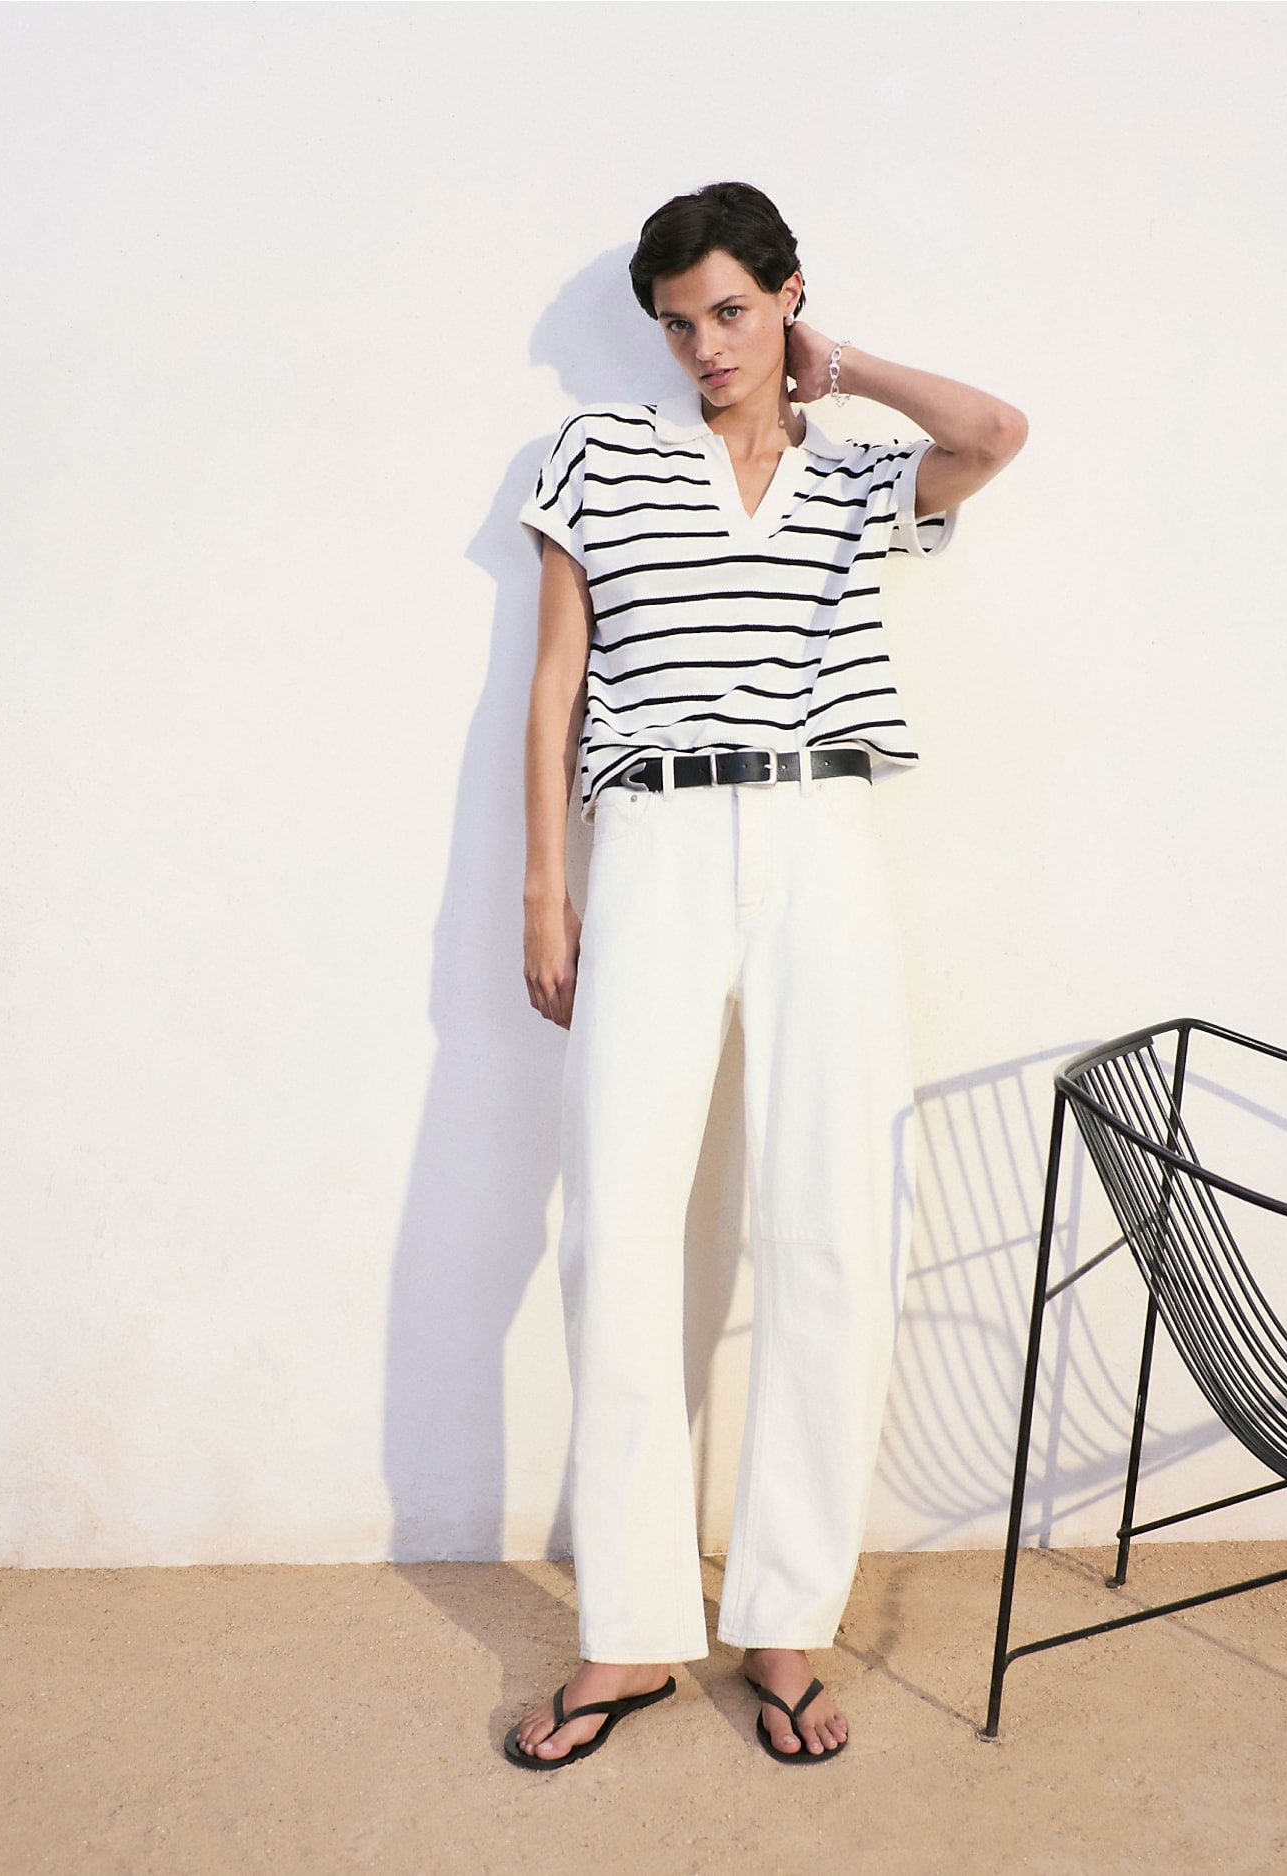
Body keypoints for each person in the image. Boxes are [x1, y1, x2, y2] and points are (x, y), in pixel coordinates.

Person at [508, 181, 1026, 1768]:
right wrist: (547, 881)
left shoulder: (862, 470)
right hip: (654, 845)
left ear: (784, 298)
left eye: (730, 311)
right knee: (618, 1234)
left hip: (821, 841)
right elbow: (559, 672)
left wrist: (840, 364)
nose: (704, 348)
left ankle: (787, 1628)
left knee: (833, 1228)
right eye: (679, 323)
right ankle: (629, 1639)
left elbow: (998, 431)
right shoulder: (598, 456)